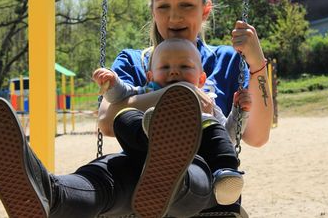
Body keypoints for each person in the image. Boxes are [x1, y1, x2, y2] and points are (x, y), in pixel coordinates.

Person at [0, 0, 273, 218]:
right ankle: (52, 194)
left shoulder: (225, 60)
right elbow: (107, 122)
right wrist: (178, 94)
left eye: (186, 4)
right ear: (152, 10)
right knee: (105, 175)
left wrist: (256, 60)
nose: (174, 16)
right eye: (163, 6)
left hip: (203, 182)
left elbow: (256, 137)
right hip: (139, 173)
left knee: (184, 176)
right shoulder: (134, 60)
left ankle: (170, 170)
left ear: (205, 9)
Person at [93, 39, 250, 205]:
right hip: (148, 151)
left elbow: (228, 136)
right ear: (150, 76)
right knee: (124, 119)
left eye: (184, 67)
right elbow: (121, 94)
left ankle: (225, 174)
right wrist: (112, 83)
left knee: (215, 129)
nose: (174, 72)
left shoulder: (207, 102)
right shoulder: (148, 92)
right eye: (165, 67)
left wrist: (239, 112)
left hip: (196, 155)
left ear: (202, 79)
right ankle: (153, 128)